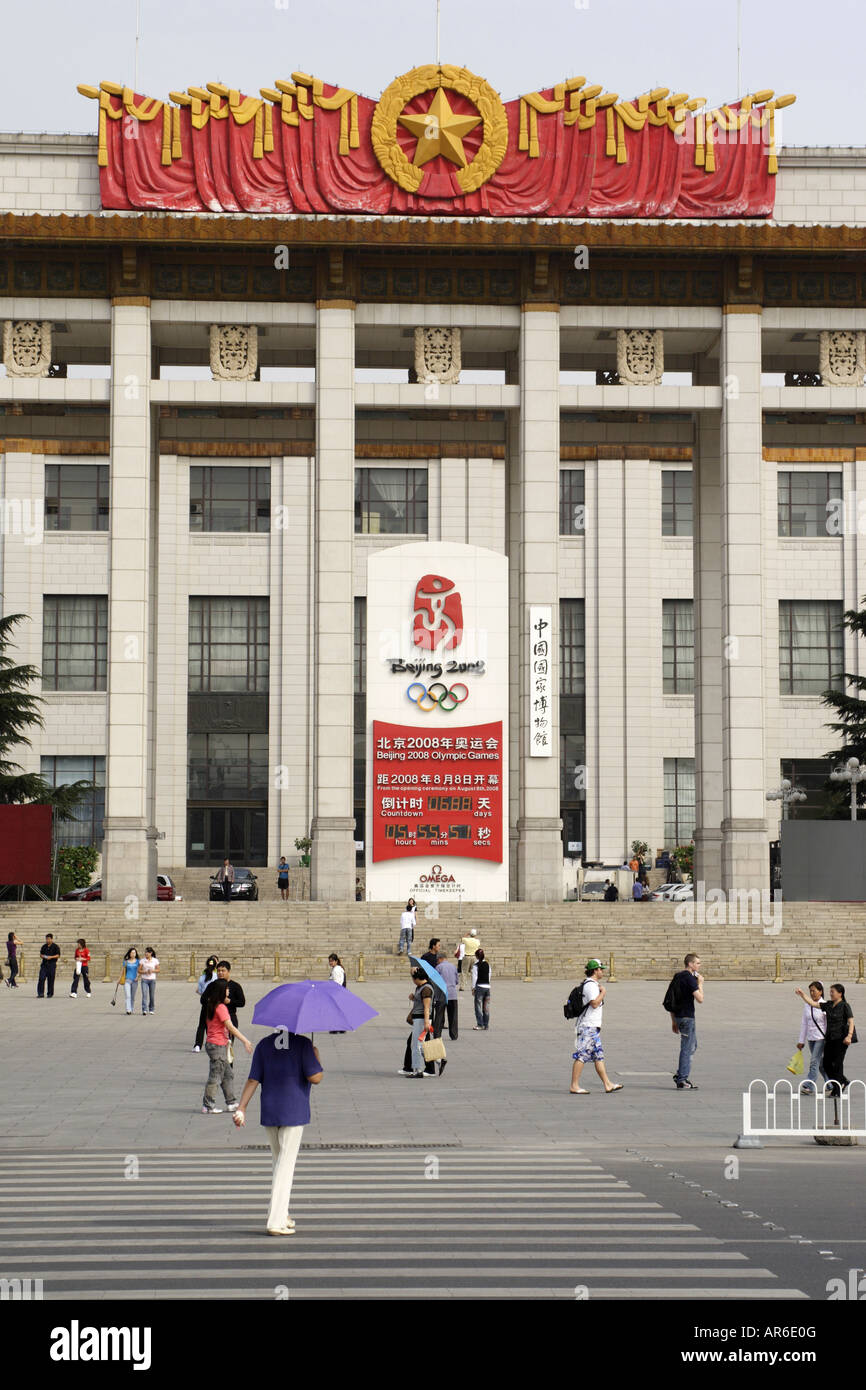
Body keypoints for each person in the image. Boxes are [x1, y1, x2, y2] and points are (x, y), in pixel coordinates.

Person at [233, 1028, 323, 1234]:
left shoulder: (264, 1045)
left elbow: (253, 1079)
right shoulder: (303, 1044)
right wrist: (316, 1056)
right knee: (286, 1165)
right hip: (294, 1110)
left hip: (271, 1110)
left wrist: (242, 1107)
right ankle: (275, 1221)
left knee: (278, 1162)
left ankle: (282, 1213)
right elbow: (315, 1077)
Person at [569, 959, 623, 1094]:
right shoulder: (591, 986)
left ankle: (608, 1084)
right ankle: (574, 1085)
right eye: (600, 969)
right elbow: (594, 1003)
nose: (602, 971)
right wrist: (603, 992)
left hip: (592, 1027)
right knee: (582, 1055)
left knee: (598, 1056)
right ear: (595, 970)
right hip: (588, 1026)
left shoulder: (592, 984)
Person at [201, 979, 253, 1114]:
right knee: (215, 1076)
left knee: (227, 1075)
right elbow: (230, 1027)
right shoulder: (220, 1007)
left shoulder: (211, 1005)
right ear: (221, 992)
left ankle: (231, 1103)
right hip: (217, 1045)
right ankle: (208, 1105)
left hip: (217, 1044)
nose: (228, 991)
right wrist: (245, 1041)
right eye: (227, 989)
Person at [796, 982, 855, 1094]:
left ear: (840, 993)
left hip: (835, 1039)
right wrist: (802, 995)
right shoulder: (828, 1005)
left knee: (828, 1062)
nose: (831, 994)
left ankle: (821, 1087)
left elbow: (850, 1021)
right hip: (822, 1038)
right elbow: (812, 1006)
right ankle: (836, 1082)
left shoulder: (844, 1005)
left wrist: (849, 1036)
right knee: (825, 1064)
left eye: (832, 992)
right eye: (830, 992)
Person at [671, 952, 704, 1090]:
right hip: (687, 1017)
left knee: (692, 1045)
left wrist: (673, 1021)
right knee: (687, 1048)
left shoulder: (677, 977)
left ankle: (680, 1074)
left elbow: (671, 1000)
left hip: (678, 1016)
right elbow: (700, 999)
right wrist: (700, 983)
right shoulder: (690, 979)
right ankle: (682, 1079)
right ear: (690, 964)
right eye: (697, 963)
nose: (699, 965)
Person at [794, 980, 828, 1095]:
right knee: (820, 1063)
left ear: (821, 991)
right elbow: (804, 1023)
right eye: (811, 991)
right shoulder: (807, 1005)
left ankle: (809, 1086)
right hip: (811, 1038)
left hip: (821, 1038)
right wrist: (801, 1041)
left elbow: (828, 1024)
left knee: (814, 1061)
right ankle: (831, 1084)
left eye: (814, 991)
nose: (812, 993)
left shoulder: (824, 1005)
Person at [405, 966, 434, 1078]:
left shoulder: (426, 989)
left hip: (422, 1019)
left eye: (413, 978)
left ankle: (417, 1070)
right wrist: (414, 998)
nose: (413, 981)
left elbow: (427, 1007)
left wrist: (426, 1022)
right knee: (418, 1045)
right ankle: (438, 1060)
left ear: (417, 978)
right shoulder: (420, 987)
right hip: (418, 1018)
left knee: (416, 1045)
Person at [192, 955, 220, 1052]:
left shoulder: (202, 977)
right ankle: (213, 1043)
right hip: (215, 1004)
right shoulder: (217, 977)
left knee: (202, 1024)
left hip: (205, 1003)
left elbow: (200, 991)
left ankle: (197, 1045)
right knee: (212, 1024)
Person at [437, 950, 459, 1040]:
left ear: (440, 958)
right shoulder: (453, 966)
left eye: (437, 959)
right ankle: (454, 1035)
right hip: (452, 994)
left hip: (442, 994)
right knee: (453, 1016)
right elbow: (457, 981)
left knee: (439, 1016)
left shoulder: (438, 967)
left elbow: (436, 980)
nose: (437, 961)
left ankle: (437, 1034)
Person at [471, 948, 491, 1030]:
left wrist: (473, 988)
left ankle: (480, 1024)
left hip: (479, 987)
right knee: (486, 1007)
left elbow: (474, 977)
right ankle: (486, 1024)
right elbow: (489, 975)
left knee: (478, 1006)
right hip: (487, 987)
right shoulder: (487, 964)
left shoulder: (476, 965)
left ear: (476, 956)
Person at [37, 933, 61, 998]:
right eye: (46, 939)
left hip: (52, 965)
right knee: (41, 978)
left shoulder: (55, 946)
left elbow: (58, 955)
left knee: (51, 979)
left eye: (48, 939)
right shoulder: (44, 946)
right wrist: (44, 956)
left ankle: (50, 993)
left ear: (51, 939)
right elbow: (41, 954)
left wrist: (51, 957)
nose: (47, 940)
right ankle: (40, 993)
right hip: (44, 964)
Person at [117, 948, 140, 1014]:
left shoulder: (138, 961)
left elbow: (140, 970)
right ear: (129, 953)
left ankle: (131, 1008)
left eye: (134, 953)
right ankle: (128, 1009)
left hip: (135, 981)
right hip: (127, 980)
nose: (133, 954)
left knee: (132, 996)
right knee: (128, 995)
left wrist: (138, 977)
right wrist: (119, 979)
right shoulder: (126, 961)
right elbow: (122, 971)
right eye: (132, 953)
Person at [139, 946, 160, 1015]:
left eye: (147, 952)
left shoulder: (155, 960)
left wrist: (152, 971)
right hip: (144, 979)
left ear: (151, 953)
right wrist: (145, 972)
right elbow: (139, 970)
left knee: (152, 995)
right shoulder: (142, 960)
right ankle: (144, 1009)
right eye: (145, 952)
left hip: (152, 980)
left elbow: (158, 970)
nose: (146, 954)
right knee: (144, 995)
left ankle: (151, 1009)